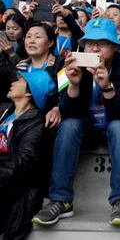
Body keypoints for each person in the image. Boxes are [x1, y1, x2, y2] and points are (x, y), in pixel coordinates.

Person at [32, 17, 120, 226]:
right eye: (90, 43)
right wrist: (73, 85)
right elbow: (67, 110)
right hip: (85, 125)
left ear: (115, 47)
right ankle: (60, 200)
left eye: (102, 43)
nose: (95, 48)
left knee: (119, 127)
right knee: (69, 124)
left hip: (114, 125)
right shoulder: (70, 64)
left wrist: (107, 87)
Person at [0, 71, 55, 240]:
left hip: (17, 191)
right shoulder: (4, 113)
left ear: (29, 92)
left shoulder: (36, 122)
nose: (13, 83)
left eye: (20, 81)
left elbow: (25, 161)